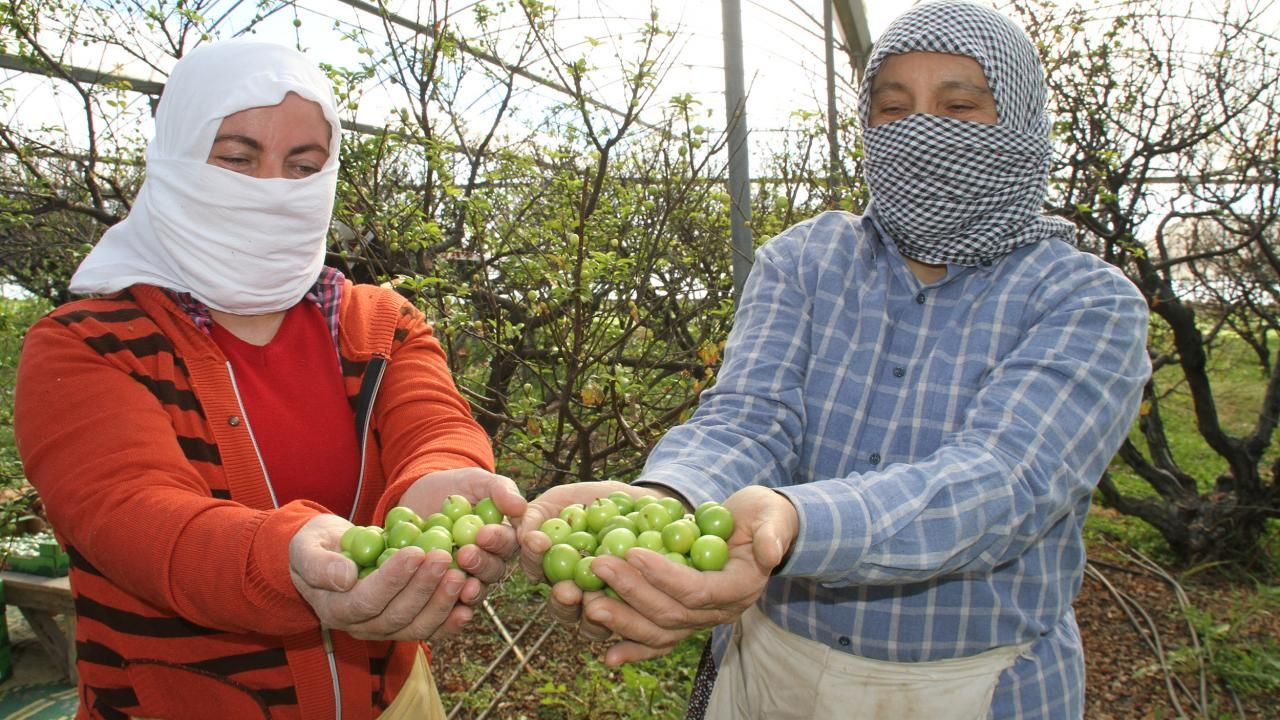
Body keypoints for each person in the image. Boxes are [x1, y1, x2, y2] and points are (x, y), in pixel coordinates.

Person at [517, 2, 1151, 718]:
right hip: (771, 666)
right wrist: (671, 499)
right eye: (893, 107)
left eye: (959, 104)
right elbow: (749, 420)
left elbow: (1004, 483)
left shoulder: (1088, 302)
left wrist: (794, 521)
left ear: (1021, 124)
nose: (921, 129)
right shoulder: (806, 260)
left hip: (971, 685)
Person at [14, 40, 525, 720]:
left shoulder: (380, 325)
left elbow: (435, 426)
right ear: (175, 157)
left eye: (303, 165)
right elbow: (131, 512)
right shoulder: (87, 346)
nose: (272, 188)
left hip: (392, 701)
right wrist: (283, 558)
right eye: (237, 157)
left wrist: (446, 477)